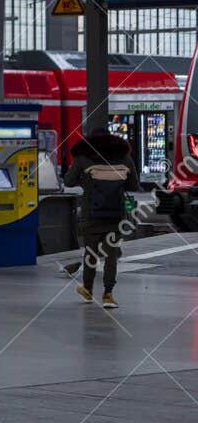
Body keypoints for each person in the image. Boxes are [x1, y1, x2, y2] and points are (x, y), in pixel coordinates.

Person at [62, 131, 139, 309]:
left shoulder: (83, 159)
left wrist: (85, 181)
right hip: (116, 214)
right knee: (111, 254)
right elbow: (134, 185)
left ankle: (87, 290)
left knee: (91, 253)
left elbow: (68, 181)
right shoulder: (124, 158)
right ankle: (108, 294)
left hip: (91, 214)